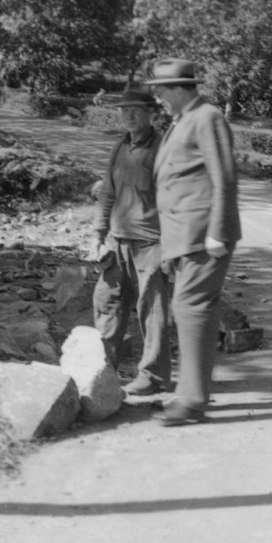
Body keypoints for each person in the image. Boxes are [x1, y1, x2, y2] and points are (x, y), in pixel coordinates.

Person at [145, 58, 242, 426]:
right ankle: (187, 394)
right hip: (184, 235)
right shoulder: (183, 119)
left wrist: (218, 230)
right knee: (187, 310)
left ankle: (192, 401)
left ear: (180, 88)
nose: (157, 96)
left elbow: (224, 177)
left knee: (191, 308)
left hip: (203, 235)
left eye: (161, 90)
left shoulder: (207, 117)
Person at [89, 85, 172, 396]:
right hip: (118, 242)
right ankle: (102, 372)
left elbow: (173, 202)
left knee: (152, 311)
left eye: (136, 110)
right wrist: (97, 236)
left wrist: (169, 248)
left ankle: (153, 377)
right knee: (106, 302)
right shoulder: (120, 147)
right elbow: (107, 194)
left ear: (151, 113)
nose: (129, 116)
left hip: (151, 244)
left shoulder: (162, 149)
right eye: (124, 111)